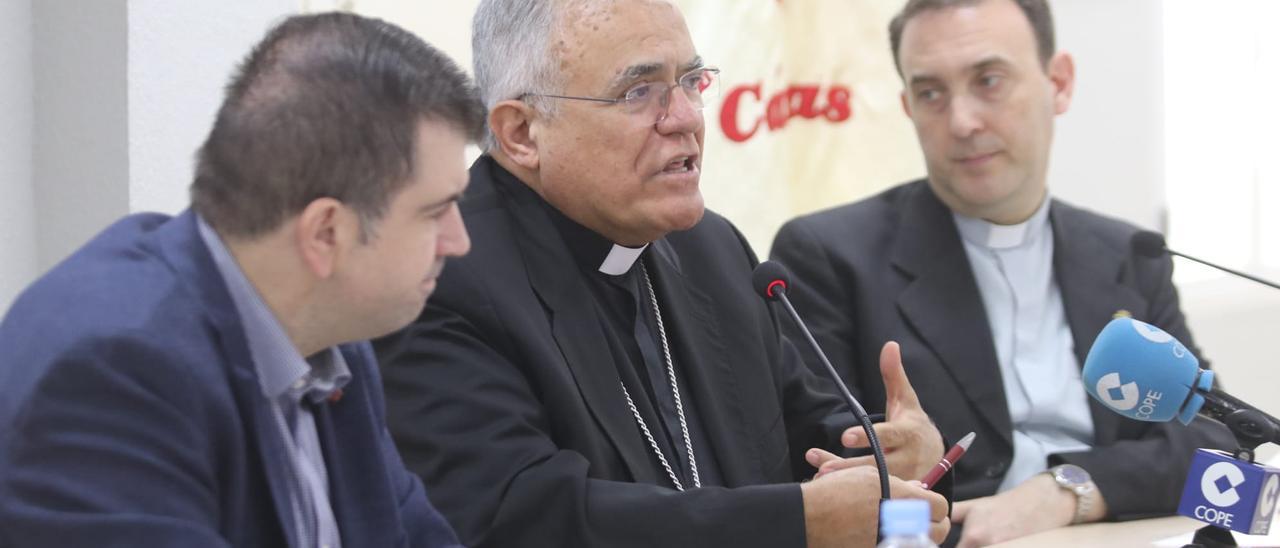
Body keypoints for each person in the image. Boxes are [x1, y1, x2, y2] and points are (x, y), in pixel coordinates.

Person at [373, 1, 950, 547]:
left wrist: (899, 455)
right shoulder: (439, 276)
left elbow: (809, 442)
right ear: (522, 132)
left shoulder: (711, 251)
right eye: (638, 91)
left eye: (692, 82)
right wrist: (792, 525)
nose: (686, 118)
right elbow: (521, 517)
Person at [0, 13, 484, 547]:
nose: (457, 241)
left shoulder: (333, 341)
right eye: (436, 211)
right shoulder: (112, 371)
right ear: (326, 232)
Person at [771, 0, 1236, 546]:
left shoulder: (1126, 252)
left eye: (988, 80)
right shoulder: (830, 256)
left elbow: (1214, 439)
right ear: (907, 107)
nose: (962, 121)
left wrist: (1068, 488)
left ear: (1058, 83)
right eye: (931, 93)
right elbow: (821, 463)